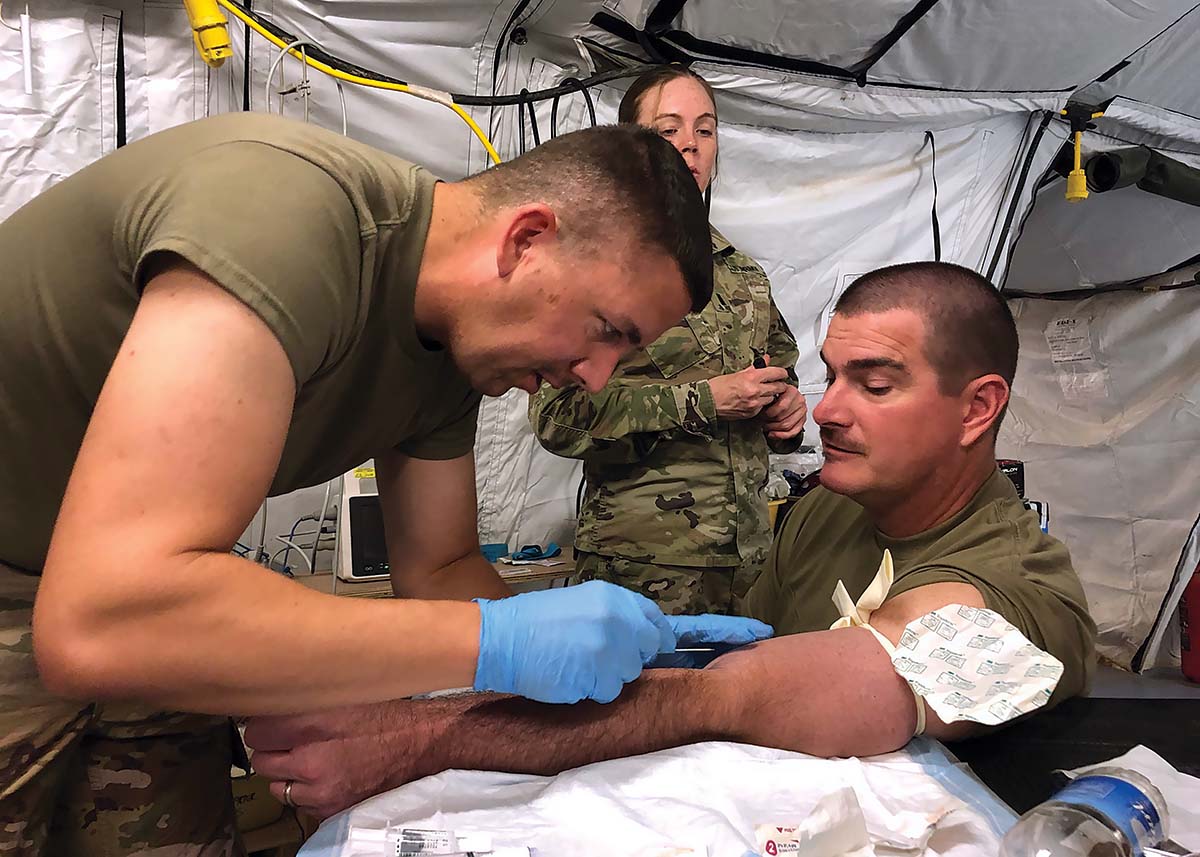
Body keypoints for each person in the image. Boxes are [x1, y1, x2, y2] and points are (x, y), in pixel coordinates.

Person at [0, 112, 774, 855]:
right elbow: (104, 621)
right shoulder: (283, 219)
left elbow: (437, 568)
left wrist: (610, 665)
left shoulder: (451, 351)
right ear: (527, 239)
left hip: (130, 605)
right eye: (608, 331)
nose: (597, 376)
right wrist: (498, 642)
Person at [245, 261, 1098, 821]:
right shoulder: (828, 510)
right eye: (830, 376)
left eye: (874, 383)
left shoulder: (1022, 604)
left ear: (978, 407)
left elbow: (755, 694)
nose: (828, 409)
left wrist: (425, 733)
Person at [529, 66, 808, 615]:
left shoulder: (742, 274)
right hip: (641, 565)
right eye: (668, 130)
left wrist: (787, 413)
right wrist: (705, 401)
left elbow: (780, 373)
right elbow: (557, 418)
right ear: (631, 148)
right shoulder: (592, 269)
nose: (691, 145)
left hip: (748, 563)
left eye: (705, 131)